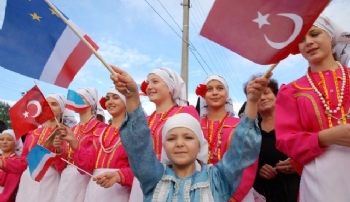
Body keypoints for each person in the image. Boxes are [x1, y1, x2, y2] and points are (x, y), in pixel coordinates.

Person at [93, 65, 264, 201]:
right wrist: (131, 97)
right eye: (171, 138)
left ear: (200, 144)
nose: (179, 143)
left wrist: (252, 102)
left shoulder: (217, 181)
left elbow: (242, 151)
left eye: (188, 137)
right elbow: (138, 147)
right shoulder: (155, 180)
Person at [275, 14, 350, 202]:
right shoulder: (291, 91)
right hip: (321, 178)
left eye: (315, 34)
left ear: (331, 37)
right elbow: (285, 141)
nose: (308, 42)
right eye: (301, 40)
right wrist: (325, 137)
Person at [129, 67, 199, 201]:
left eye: (155, 81)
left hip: (174, 178)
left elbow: (194, 148)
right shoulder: (147, 120)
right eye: (148, 82)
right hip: (142, 182)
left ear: (170, 87)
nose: (149, 86)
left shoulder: (185, 112)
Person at [59, 87, 133, 202]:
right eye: (107, 98)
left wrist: (119, 176)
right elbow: (86, 167)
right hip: (94, 187)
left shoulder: (134, 132)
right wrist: (74, 143)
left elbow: (141, 169)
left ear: (126, 102)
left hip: (118, 190)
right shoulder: (100, 133)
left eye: (116, 97)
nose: (110, 101)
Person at [197, 75, 259, 202]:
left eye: (220, 88)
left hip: (235, 192)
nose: (215, 92)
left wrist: (235, 195)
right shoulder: (195, 125)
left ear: (227, 94)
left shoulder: (240, 125)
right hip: (199, 191)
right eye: (209, 89)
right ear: (203, 95)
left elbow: (248, 161)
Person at [1, 94, 66, 202]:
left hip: (48, 181)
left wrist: (58, 151)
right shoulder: (32, 133)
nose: (49, 107)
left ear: (62, 110)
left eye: (54, 104)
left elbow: (63, 166)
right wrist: (3, 163)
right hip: (27, 180)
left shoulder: (65, 133)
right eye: (46, 104)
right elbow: (22, 163)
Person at [250, 76, 300, 202]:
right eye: (257, 96)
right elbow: (245, 166)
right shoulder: (250, 133)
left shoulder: (297, 123)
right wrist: (259, 171)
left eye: (266, 93)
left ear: (276, 95)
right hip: (265, 195)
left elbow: (312, 151)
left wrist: (298, 164)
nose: (262, 98)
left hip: (297, 191)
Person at [55, 88, 106, 202]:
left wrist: (75, 144)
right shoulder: (71, 129)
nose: (77, 100)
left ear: (91, 102)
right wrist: (59, 150)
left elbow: (91, 163)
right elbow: (60, 166)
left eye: (82, 98)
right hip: (66, 180)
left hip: (85, 179)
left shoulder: (101, 129)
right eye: (76, 97)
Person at [0, 130, 23, 202]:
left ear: (15, 143)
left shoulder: (16, 163)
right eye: (1, 139)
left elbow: (10, 188)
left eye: (9, 140)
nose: (4, 142)